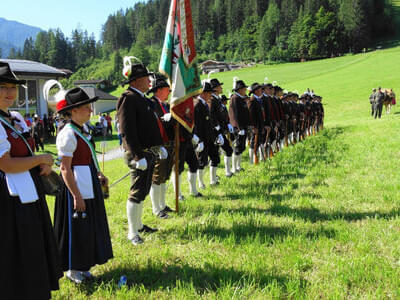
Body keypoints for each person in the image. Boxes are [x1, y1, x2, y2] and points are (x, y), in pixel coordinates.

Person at [0, 61, 62, 299]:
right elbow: (5, 164)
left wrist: (42, 163)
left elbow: (25, 151)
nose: (9, 93)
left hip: (28, 192)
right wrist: (40, 159)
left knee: (32, 246)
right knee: (14, 249)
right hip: (7, 199)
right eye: (3, 87)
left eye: (12, 87)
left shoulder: (15, 117)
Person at [53, 87, 113, 284]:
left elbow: (88, 158)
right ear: (73, 111)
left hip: (88, 182)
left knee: (88, 226)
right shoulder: (67, 134)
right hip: (75, 187)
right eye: (87, 107)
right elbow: (65, 169)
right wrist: (76, 195)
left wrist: (98, 173)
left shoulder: (82, 129)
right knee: (77, 227)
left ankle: (84, 265)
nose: (90, 111)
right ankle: (73, 268)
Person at [116, 57, 167, 245]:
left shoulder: (142, 99)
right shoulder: (127, 98)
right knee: (136, 191)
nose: (149, 81)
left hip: (147, 152)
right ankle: (132, 232)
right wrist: (137, 155)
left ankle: (138, 224)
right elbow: (127, 131)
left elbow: (150, 127)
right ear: (136, 80)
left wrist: (159, 145)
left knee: (144, 189)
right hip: (138, 153)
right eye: (146, 78)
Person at [148, 74, 175, 219]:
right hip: (159, 144)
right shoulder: (152, 104)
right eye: (167, 90)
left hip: (168, 143)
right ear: (158, 90)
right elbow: (152, 124)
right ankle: (156, 208)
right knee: (157, 177)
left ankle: (162, 204)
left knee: (165, 175)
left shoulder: (165, 105)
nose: (169, 92)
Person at [194, 81, 222, 188]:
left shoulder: (205, 104)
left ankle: (213, 180)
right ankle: (200, 183)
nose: (210, 95)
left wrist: (217, 134)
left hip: (210, 137)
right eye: (209, 92)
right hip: (202, 138)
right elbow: (196, 125)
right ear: (202, 93)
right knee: (202, 161)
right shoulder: (197, 105)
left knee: (215, 157)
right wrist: (198, 141)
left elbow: (209, 122)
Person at [210, 78, 234, 177]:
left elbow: (222, 114)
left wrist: (228, 123)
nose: (221, 87)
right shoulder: (212, 100)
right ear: (215, 88)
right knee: (216, 154)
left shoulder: (217, 99)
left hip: (221, 129)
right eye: (220, 86)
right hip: (215, 131)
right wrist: (218, 130)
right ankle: (213, 178)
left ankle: (226, 172)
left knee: (226, 150)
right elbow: (213, 116)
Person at [229, 79, 250, 173]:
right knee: (237, 147)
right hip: (238, 127)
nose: (245, 90)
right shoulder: (235, 98)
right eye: (244, 88)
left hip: (243, 126)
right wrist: (240, 128)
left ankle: (238, 166)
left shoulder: (240, 98)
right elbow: (236, 115)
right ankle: (234, 168)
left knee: (241, 147)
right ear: (239, 89)